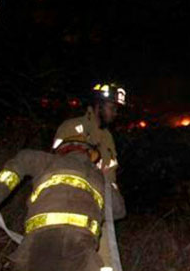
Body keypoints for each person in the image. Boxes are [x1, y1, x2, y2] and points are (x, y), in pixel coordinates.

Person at [0, 135, 125, 271]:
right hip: (82, 245)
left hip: (40, 241)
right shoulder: (101, 179)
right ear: (89, 154)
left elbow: (22, 159)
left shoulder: (47, 160)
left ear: (63, 150)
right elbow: (119, 211)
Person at [53, 82, 127, 269]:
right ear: (98, 106)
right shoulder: (71, 127)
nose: (115, 113)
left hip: (98, 208)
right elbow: (59, 165)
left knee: (106, 263)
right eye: (112, 108)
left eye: (116, 109)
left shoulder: (107, 138)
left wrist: (112, 200)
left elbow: (110, 176)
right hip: (68, 205)